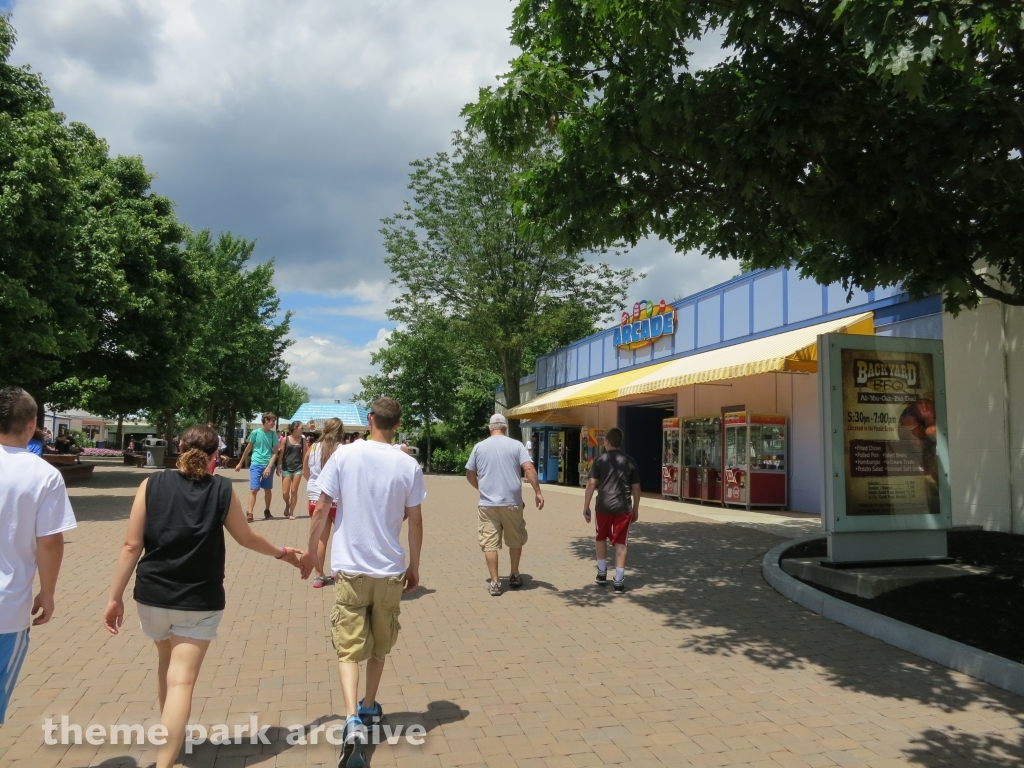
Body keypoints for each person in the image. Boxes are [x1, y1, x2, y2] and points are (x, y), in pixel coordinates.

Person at [103, 424, 307, 768]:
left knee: (166, 665)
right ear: (216, 456)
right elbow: (246, 537)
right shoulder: (223, 490)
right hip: (199, 600)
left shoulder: (150, 484)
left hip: (152, 595)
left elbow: (130, 544)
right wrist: (283, 552)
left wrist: (114, 597)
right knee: (182, 680)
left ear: (179, 447)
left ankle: (172, 742)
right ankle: (166, 761)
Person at [300, 397, 425, 768]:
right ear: (397, 424)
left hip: (350, 569)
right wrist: (414, 565)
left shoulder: (345, 455)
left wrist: (311, 553)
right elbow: (415, 520)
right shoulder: (408, 464)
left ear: (370, 420)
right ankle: (370, 706)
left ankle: (351, 717)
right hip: (389, 570)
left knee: (348, 647)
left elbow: (321, 507)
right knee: (379, 643)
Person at [0, 387, 77, 724]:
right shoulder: (43, 475)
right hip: (7, 607)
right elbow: (49, 541)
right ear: (32, 424)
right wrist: (47, 592)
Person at [465, 413, 544, 596]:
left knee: (489, 543)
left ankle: (495, 582)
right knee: (515, 538)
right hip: (513, 502)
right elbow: (529, 468)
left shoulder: (479, 447)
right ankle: (515, 574)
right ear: (505, 428)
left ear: (490, 427)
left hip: (487, 504)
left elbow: (470, 474)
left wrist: (481, 488)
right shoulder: (516, 446)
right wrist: (538, 492)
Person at [583, 426, 640, 593]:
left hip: (603, 505)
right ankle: (619, 580)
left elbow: (592, 483)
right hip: (623, 507)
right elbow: (636, 487)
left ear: (607, 442)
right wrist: (635, 508)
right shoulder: (630, 461)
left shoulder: (600, 460)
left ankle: (602, 573)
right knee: (622, 542)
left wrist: (586, 506)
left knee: (600, 536)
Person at [302, 417, 344, 588]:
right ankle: (338, 571)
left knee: (320, 538)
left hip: (315, 497)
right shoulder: (342, 450)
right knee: (341, 536)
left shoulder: (313, 447)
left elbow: (305, 471)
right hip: (337, 499)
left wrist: (315, 485)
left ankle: (319, 576)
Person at [234, 413, 281, 522]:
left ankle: (267, 510)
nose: (274, 423)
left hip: (268, 464)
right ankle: (250, 513)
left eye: (274, 421)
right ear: (266, 420)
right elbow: (248, 449)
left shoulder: (273, 435)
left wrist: (269, 467)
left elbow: (275, 453)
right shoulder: (255, 433)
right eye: (272, 421)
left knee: (268, 490)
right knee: (254, 489)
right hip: (256, 464)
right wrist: (240, 463)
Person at [278, 421, 306, 520]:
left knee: (294, 490)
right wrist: (278, 466)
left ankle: (291, 512)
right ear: (295, 428)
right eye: (301, 428)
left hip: (298, 467)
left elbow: (304, 455)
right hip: (286, 467)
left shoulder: (303, 440)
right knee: (285, 492)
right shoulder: (285, 439)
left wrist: (305, 468)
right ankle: (287, 504)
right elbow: (281, 454)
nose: (303, 430)